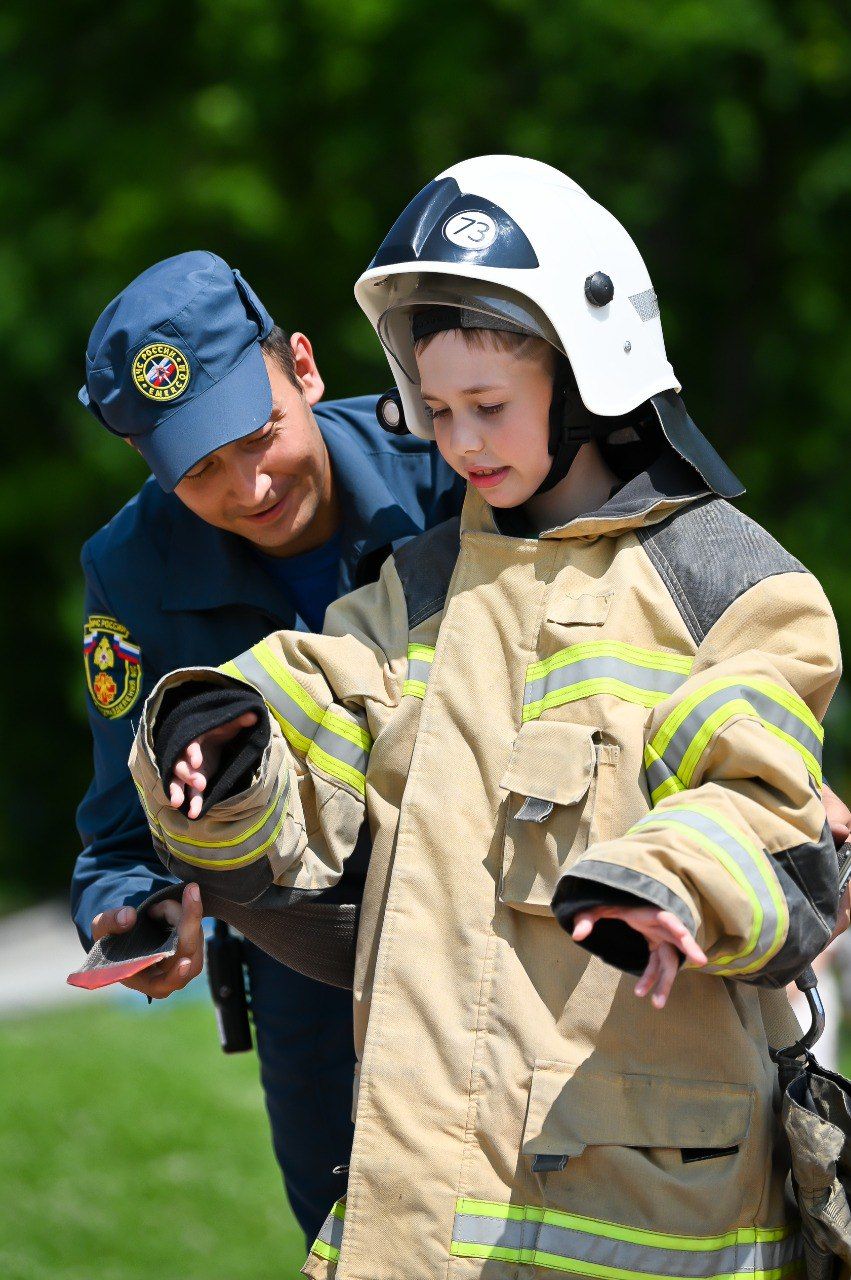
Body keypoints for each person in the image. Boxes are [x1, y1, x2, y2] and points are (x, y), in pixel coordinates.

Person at [129, 156, 844, 1279]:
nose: (458, 440)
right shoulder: (416, 588)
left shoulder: (729, 580)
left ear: (588, 372)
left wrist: (665, 880)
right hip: (412, 1220)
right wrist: (221, 739)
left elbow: (758, 796)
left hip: (650, 1214)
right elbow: (316, 688)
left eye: (488, 406)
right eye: (438, 408)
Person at [71, 250, 463, 1244]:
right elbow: (117, 837)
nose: (247, 486)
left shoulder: (453, 464)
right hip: (311, 975)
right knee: (362, 1243)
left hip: (501, 915)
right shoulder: (130, 570)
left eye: (258, 435)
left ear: (303, 366)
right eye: (198, 469)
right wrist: (141, 913)